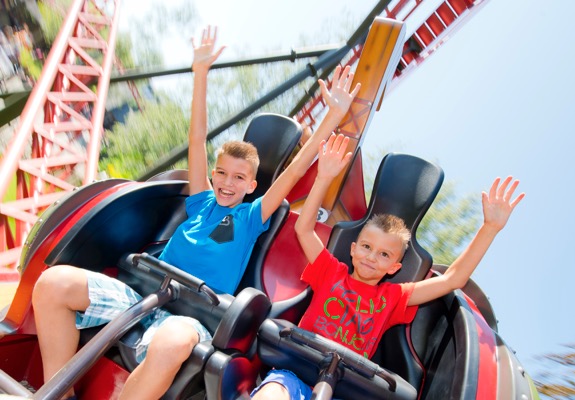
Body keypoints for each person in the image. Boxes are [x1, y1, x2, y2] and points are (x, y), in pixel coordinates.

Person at [31, 26, 361, 400]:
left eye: (239, 178)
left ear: (253, 186)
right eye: (221, 173)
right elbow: (196, 136)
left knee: (174, 341)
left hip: (189, 317)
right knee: (54, 283)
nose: (226, 183)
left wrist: (333, 116)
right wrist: (200, 73)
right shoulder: (201, 199)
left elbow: (297, 169)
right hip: (141, 294)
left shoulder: (251, 217)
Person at [251, 134, 525, 400]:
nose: (372, 257)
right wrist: (323, 177)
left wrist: (489, 228)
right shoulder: (330, 271)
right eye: (367, 247)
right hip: (296, 369)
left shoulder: (393, 298)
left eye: (383, 254)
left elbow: (452, 280)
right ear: (353, 249)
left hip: (344, 387)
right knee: (272, 394)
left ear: (394, 267)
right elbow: (304, 228)